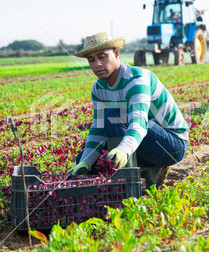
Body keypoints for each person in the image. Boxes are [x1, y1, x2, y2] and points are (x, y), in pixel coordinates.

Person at [68, 32, 189, 189]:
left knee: (114, 115)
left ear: (116, 54)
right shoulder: (98, 88)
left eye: (102, 56)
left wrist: (123, 150)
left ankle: (127, 185)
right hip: (144, 140)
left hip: (172, 144)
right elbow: (98, 129)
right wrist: (86, 161)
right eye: (91, 60)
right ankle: (146, 169)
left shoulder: (136, 80)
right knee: (86, 160)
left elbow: (138, 123)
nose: (97, 63)